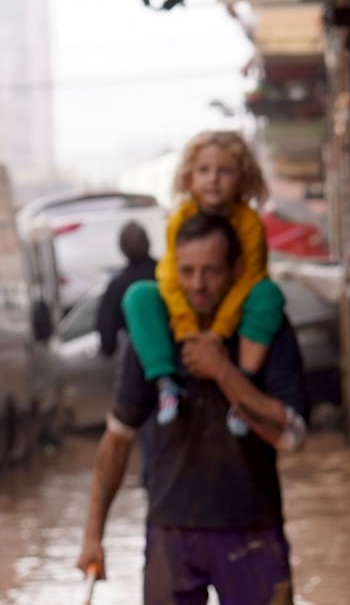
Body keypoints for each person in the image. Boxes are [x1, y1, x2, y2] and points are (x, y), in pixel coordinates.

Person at [76, 208, 319, 605]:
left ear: (234, 268)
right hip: (171, 534)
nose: (200, 284)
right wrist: (92, 534)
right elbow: (117, 438)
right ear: (172, 272)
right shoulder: (151, 332)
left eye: (212, 271)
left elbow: (293, 434)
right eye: (188, 272)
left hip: (251, 531)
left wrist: (225, 372)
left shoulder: (264, 327)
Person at [121, 131, 285, 436]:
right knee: (138, 296)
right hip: (185, 313)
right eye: (204, 170)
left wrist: (218, 333)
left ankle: (243, 389)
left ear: (242, 178)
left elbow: (249, 280)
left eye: (224, 171)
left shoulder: (249, 224)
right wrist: (187, 331)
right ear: (189, 176)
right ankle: (166, 383)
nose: (213, 179)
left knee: (267, 294)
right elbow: (170, 278)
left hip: (234, 310)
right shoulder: (179, 219)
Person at [96, 219, 157, 360]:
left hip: (139, 362)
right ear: (149, 242)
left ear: (121, 248)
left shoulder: (117, 286)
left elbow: (107, 337)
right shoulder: (167, 274)